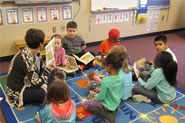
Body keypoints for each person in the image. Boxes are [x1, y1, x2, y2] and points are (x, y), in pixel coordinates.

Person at [5, 28, 54, 108]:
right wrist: (47, 71)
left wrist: (48, 69)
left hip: (31, 81)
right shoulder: (25, 57)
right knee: (41, 94)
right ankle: (46, 90)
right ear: (41, 44)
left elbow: (41, 68)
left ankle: (46, 89)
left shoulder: (35, 51)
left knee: (52, 72)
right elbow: (36, 83)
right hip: (18, 90)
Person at [86, 52, 124, 123]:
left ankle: (106, 114)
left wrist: (94, 96)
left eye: (106, 65)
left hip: (107, 106)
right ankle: (112, 110)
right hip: (116, 102)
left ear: (109, 66)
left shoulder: (105, 81)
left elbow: (101, 97)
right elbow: (114, 89)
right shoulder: (120, 76)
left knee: (86, 104)